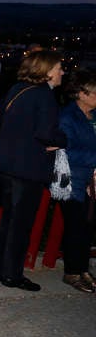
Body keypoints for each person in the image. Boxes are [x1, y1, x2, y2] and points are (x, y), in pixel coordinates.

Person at [0, 50, 66, 291]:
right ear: (46, 71)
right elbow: (46, 133)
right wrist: (63, 139)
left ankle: (1, 270)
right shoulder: (44, 95)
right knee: (20, 224)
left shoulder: (18, 89)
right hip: (27, 169)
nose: (62, 71)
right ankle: (12, 275)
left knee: (9, 222)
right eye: (58, 67)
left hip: (6, 165)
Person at [57, 69, 96, 292]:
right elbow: (67, 151)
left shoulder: (93, 116)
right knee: (75, 227)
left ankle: (83, 270)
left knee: (88, 227)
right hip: (72, 181)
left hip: (91, 181)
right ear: (81, 94)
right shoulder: (67, 117)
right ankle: (72, 272)